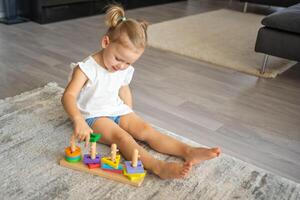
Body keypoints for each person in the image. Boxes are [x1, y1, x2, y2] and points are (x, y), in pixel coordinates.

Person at [61, 4, 221, 179]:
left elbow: (124, 89)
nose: (121, 66)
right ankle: (158, 166)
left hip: (116, 110)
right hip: (92, 115)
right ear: (106, 42)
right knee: (122, 138)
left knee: (145, 129)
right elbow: (68, 96)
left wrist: (128, 113)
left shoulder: (122, 68)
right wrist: (78, 120)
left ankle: (187, 151)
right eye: (118, 59)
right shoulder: (86, 69)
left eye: (128, 63)